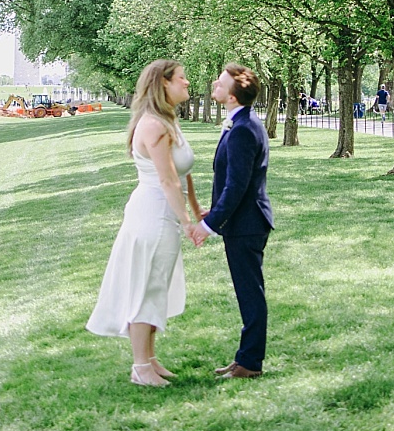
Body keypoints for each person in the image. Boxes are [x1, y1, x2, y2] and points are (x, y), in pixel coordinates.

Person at [87, 60, 203, 386]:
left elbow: (184, 170)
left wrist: (195, 208)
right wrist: (186, 223)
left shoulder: (168, 120)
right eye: (182, 77)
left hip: (165, 212)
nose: (187, 81)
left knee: (158, 285)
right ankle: (140, 367)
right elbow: (167, 180)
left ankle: (151, 359)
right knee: (147, 286)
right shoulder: (153, 125)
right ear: (163, 83)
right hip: (153, 213)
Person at [194, 64, 274, 379]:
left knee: (250, 293)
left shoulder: (242, 128)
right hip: (242, 222)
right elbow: (232, 180)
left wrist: (209, 224)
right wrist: (213, 212)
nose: (215, 82)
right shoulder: (239, 123)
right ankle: (245, 357)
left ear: (232, 94)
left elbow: (237, 187)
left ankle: (251, 363)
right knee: (247, 292)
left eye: (221, 81)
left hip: (247, 224)